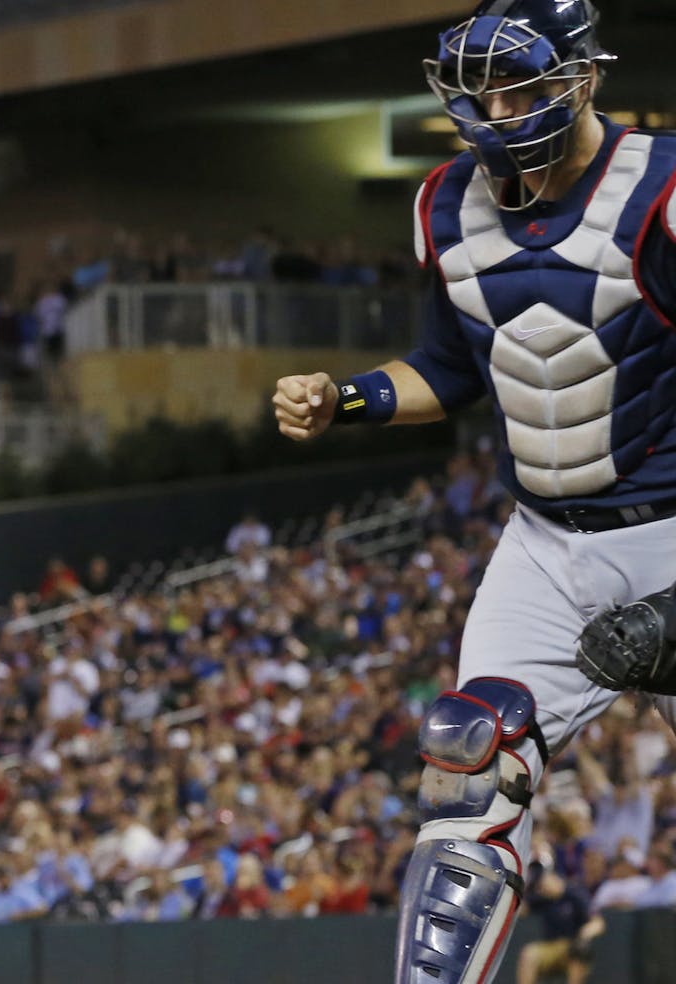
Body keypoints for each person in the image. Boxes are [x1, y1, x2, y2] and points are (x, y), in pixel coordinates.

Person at [268, 1, 676, 980]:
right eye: (480, 90)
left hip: (671, 527)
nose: (498, 108)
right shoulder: (446, 202)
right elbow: (448, 368)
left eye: (521, 84)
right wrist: (349, 399)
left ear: (584, 79)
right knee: (468, 760)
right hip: (541, 539)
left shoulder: (660, 189)